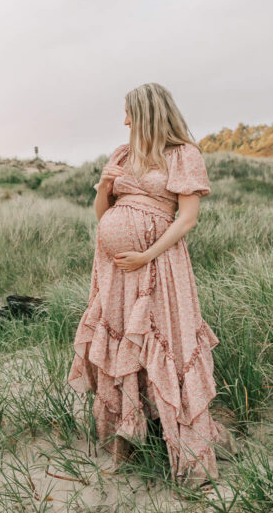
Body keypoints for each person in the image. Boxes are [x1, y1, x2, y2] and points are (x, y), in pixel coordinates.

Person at [67, 82, 229, 484]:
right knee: (125, 339)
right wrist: (104, 187)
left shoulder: (182, 155)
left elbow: (187, 219)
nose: (123, 121)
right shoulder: (121, 155)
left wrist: (146, 254)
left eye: (128, 112)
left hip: (159, 264)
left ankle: (185, 450)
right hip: (113, 270)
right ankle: (135, 436)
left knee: (167, 340)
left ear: (147, 113)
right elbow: (102, 214)